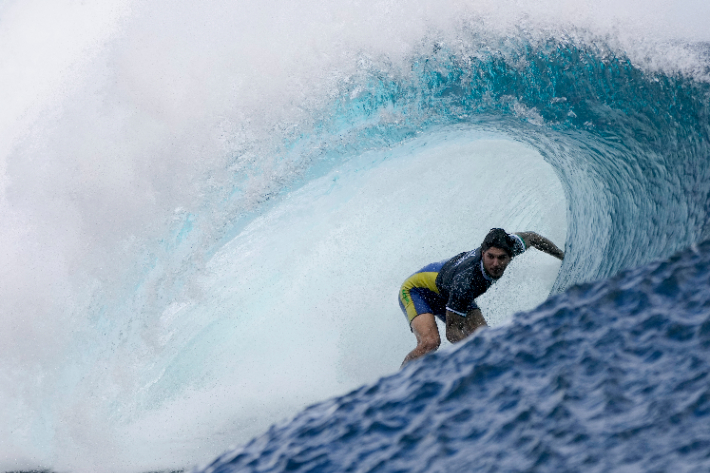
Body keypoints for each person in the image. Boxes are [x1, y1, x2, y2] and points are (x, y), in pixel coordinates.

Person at [398, 228, 564, 367]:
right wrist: (476, 356)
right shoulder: (466, 280)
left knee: (486, 339)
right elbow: (452, 332)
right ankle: (398, 385)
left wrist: (563, 256)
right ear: (483, 253)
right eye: (490, 257)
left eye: (501, 258)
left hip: (449, 288)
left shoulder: (511, 245)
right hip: (418, 290)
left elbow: (533, 238)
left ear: (510, 254)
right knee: (430, 342)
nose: (495, 264)